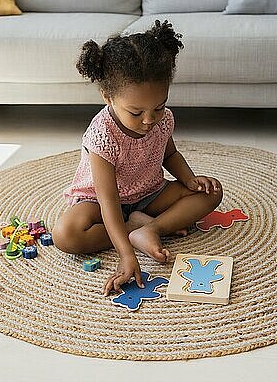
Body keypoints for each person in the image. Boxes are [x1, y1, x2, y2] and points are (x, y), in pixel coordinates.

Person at [52, 19, 223, 296]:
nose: (148, 120)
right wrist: (126, 255)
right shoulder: (101, 136)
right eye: (136, 112)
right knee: (66, 234)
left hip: (149, 193)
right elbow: (108, 202)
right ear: (108, 97)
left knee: (212, 192)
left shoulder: (162, 120)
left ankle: (149, 229)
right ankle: (134, 227)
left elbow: (170, 154)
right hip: (100, 201)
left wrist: (190, 180)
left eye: (158, 107)